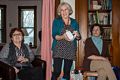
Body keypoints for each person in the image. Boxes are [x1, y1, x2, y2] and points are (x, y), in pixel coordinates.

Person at [51, 2, 81, 80]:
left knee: (67, 71)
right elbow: (54, 35)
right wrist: (63, 37)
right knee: (57, 71)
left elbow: (78, 37)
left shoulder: (74, 22)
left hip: (70, 49)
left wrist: (77, 35)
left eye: (66, 9)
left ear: (69, 10)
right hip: (58, 48)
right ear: (59, 12)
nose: (64, 12)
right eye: (62, 10)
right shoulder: (56, 21)